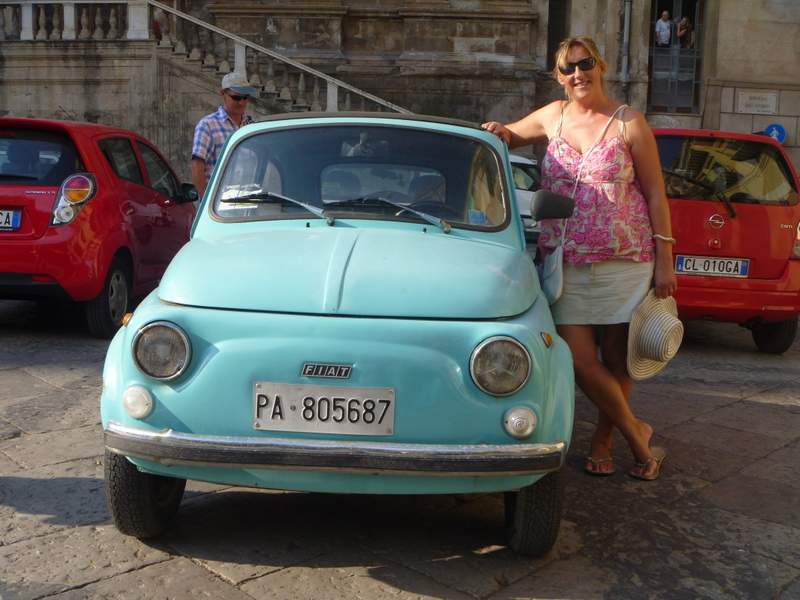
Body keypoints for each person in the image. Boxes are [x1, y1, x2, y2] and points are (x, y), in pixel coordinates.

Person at [481, 36, 677, 481]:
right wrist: (498, 130)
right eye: (568, 68)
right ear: (558, 77)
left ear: (600, 66)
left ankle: (603, 442)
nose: (578, 74)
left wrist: (666, 260)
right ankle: (637, 432)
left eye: (585, 63)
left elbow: (655, 193)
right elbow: (508, 135)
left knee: (619, 360)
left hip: (626, 260)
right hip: (565, 261)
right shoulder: (553, 115)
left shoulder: (629, 122)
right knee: (578, 359)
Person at [191, 72, 257, 198]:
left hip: (249, 200)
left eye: (245, 97)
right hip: (220, 203)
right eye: (236, 98)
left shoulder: (251, 126)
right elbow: (197, 165)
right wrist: (205, 200)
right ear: (223, 94)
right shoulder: (207, 125)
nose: (242, 102)